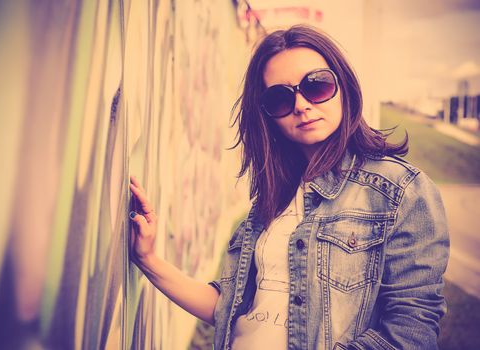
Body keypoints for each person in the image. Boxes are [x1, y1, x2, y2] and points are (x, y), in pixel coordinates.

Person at [129, 25, 449, 350]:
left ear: (344, 86)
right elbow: (228, 309)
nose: (301, 105)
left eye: (317, 86)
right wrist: (148, 259)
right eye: (280, 97)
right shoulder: (274, 198)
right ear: (267, 115)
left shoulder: (399, 192)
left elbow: (412, 333)